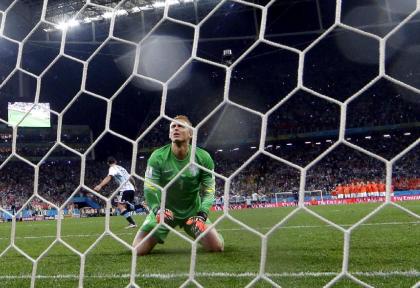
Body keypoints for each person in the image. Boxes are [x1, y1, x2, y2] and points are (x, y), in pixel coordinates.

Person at [133, 115, 224, 255]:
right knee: (138, 250)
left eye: (180, 126)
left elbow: (209, 190)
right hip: (165, 213)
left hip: (192, 213)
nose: (176, 128)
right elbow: (149, 187)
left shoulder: (203, 157)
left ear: (191, 133)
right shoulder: (157, 157)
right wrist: (157, 210)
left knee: (216, 247)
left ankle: (212, 234)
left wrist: (203, 213)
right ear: (170, 134)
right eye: (173, 127)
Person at [94, 157, 145, 229]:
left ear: (108, 163)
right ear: (115, 161)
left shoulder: (112, 168)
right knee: (128, 208)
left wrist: (100, 185)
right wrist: (135, 186)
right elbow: (131, 178)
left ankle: (132, 223)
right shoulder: (122, 168)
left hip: (125, 190)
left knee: (121, 206)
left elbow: (109, 177)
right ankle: (142, 206)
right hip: (131, 189)